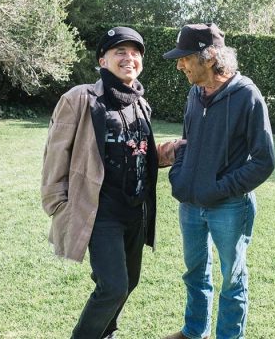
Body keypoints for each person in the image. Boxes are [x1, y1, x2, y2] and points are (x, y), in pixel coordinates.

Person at [41, 27, 181, 338]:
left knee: (129, 282)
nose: (129, 58)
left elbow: (138, 152)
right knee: (113, 286)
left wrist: (173, 150)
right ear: (103, 61)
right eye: (120, 52)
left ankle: (107, 332)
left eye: (135, 53)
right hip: (99, 211)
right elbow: (56, 152)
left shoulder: (140, 103)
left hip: (135, 211)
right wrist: (56, 203)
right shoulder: (81, 98)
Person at [161, 23, 275, 339]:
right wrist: (179, 176)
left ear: (210, 57)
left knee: (232, 279)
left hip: (230, 208)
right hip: (190, 205)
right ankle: (194, 331)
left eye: (185, 57)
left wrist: (220, 189)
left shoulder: (247, 96)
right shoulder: (194, 94)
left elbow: (264, 161)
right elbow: (186, 141)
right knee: (195, 273)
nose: (179, 64)